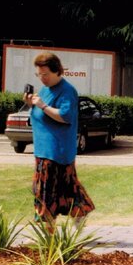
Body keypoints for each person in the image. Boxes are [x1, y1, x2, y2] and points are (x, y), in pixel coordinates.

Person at [23, 52, 95, 231]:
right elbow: (40, 116)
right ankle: (79, 214)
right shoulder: (45, 90)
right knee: (65, 188)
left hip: (57, 151)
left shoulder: (67, 91)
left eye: (45, 74)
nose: (42, 78)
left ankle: (47, 233)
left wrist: (43, 106)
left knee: (46, 191)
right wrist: (32, 105)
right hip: (43, 149)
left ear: (57, 71)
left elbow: (65, 116)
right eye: (39, 74)